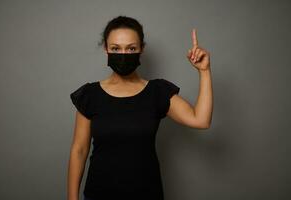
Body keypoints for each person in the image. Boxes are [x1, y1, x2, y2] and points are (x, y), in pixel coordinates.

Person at [67, 15, 213, 200]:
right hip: (99, 194)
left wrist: (204, 71)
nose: (123, 55)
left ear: (141, 49)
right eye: (115, 48)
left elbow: (201, 120)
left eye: (131, 48)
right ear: (106, 49)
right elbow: (79, 150)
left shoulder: (157, 92)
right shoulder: (90, 95)